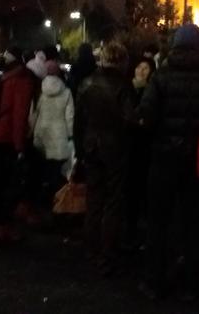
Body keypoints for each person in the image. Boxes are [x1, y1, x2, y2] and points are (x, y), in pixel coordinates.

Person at [136, 25, 199, 299]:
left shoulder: (162, 76)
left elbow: (145, 116)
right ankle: (190, 283)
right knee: (193, 222)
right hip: (198, 163)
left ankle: (154, 281)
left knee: (158, 222)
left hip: (164, 159)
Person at [76, 42, 135, 276]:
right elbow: (130, 120)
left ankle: (90, 248)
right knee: (113, 201)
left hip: (91, 147)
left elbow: (79, 121)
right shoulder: (124, 86)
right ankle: (107, 252)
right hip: (115, 149)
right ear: (121, 60)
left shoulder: (87, 83)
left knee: (94, 197)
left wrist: (81, 150)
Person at [0, 46, 35, 243]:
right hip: (6, 139)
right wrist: (20, 146)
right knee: (8, 185)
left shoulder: (3, 78)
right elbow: (19, 116)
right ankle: (4, 227)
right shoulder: (22, 80)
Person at [123, 56, 156, 249]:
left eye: (146, 68)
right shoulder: (126, 88)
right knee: (129, 194)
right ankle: (129, 232)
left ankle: (141, 235)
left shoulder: (152, 90)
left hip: (145, 149)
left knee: (144, 194)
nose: (142, 71)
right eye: (139, 66)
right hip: (128, 147)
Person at [28, 72, 74, 205]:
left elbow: (34, 114)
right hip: (59, 136)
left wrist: (31, 132)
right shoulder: (66, 93)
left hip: (41, 134)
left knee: (41, 168)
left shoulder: (39, 92)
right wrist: (70, 135)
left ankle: (41, 199)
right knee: (56, 171)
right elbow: (69, 116)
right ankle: (55, 200)